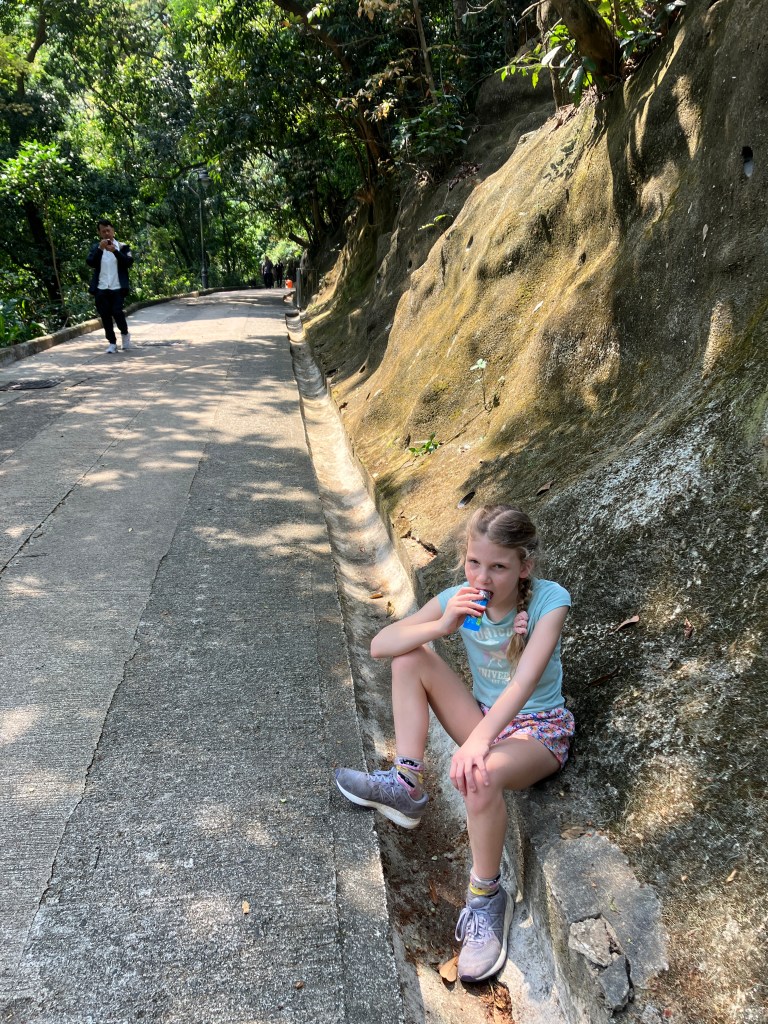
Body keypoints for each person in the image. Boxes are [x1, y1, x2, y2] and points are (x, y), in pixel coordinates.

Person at [335, 505, 574, 983]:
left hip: (536, 730)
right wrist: (442, 625)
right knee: (409, 657)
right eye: (473, 562)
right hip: (484, 720)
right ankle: (406, 783)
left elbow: (523, 683)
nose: (482, 578)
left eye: (498, 566)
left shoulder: (550, 601)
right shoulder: (458, 600)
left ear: (524, 566)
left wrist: (478, 743)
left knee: (478, 775)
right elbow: (381, 645)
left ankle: (486, 899)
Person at [86, 219, 134, 354]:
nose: (106, 233)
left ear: (113, 231)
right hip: (101, 288)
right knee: (105, 316)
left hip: (117, 287)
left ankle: (125, 334)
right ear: (99, 233)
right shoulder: (96, 248)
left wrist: (115, 252)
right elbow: (90, 262)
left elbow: (128, 262)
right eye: (103, 231)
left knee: (117, 312)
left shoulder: (123, 247)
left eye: (108, 230)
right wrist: (100, 250)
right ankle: (112, 343)